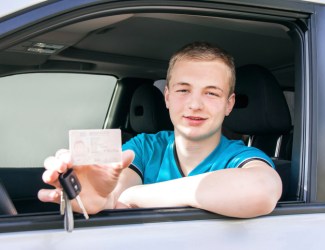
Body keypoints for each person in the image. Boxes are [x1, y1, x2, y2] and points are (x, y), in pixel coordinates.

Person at [38, 42, 282, 218]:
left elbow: (261, 190)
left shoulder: (240, 158)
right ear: (167, 97)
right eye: (183, 90)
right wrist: (104, 199)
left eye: (211, 93)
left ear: (229, 105)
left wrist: (135, 197)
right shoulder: (144, 147)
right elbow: (114, 195)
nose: (194, 104)